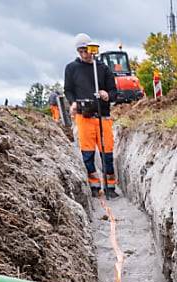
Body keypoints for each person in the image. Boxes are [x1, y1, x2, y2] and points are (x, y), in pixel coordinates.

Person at [64, 33, 118, 198]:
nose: (85, 54)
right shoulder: (72, 68)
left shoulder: (103, 69)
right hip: (84, 117)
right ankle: (95, 186)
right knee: (87, 153)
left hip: (103, 116)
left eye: (86, 50)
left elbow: (114, 92)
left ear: (92, 49)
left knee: (107, 153)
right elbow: (68, 90)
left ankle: (110, 187)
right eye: (81, 51)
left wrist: (106, 95)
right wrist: (73, 102)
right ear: (78, 51)